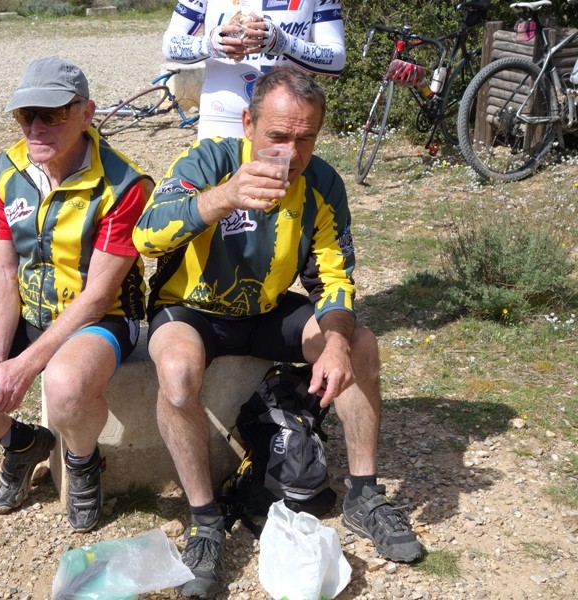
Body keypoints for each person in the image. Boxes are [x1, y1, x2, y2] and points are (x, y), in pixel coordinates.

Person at [133, 66, 423, 598]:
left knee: (359, 342)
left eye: (305, 138)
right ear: (247, 123)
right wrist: (224, 197)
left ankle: (363, 495)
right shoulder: (209, 160)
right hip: (192, 309)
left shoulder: (322, 184)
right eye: (278, 136)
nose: (290, 152)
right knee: (175, 372)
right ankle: (205, 521)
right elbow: (147, 236)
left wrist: (335, 344)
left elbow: (333, 277)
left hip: (264, 309)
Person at [0, 56, 153, 534]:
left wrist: (26, 365)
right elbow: (3, 267)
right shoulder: (6, 167)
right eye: (25, 115)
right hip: (29, 312)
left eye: (51, 114)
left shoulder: (124, 185)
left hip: (101, 319)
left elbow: (98, 296)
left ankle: (82, 461)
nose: (35, 128)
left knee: (64, 386)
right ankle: (21, 443)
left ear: (86, 113)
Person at [162, 0, 345, 140]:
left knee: (277, 181)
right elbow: (169, 46)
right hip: (221, 116)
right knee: (219, 180)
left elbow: (336, 60)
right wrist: (210, 44)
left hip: (285, 122)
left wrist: (284, 43)